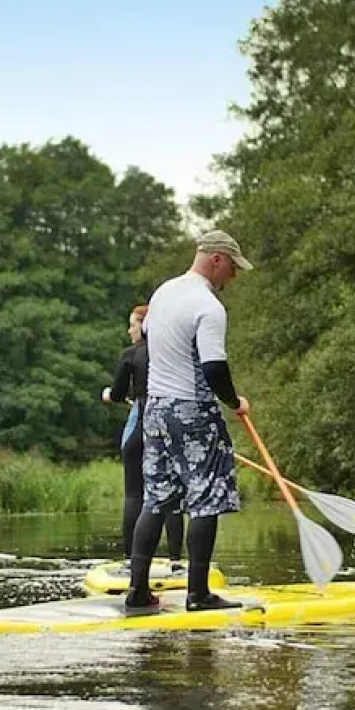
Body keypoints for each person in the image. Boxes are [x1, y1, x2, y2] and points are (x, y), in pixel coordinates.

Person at [124, 229, 253, 614]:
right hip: (192, 409)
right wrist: (234, 401)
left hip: (156, 409)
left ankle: (137, 591)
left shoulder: (163, 293)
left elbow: (148, 339)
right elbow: (214, 367)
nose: (233, 278)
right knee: (206, 496)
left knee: (156, 497)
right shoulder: (208, 306)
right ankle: (198, 594)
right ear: (217, 259)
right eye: (232, 268)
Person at [102, 303, 183, 568]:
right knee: (172, 496)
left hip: (140, 427)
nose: (129, 331)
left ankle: (130, 560)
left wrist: (108, 395)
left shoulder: (130, 355)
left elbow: (115, 394)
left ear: (144, 326)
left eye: (133, 325)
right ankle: (175, 560)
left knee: (134, 495)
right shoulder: (173, 353)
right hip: (167, 429)